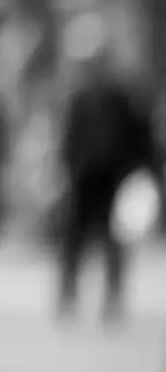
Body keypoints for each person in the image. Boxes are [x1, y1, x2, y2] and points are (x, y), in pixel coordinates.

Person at [55, 35, 157, 325]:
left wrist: (143, 171)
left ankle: (112, 297)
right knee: (74, 239)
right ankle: (68, 294)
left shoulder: (123, 97)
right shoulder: (79, 98)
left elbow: (141, 137)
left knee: (114, 241)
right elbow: (69, 139)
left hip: (115, 176)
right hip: (84, 177)